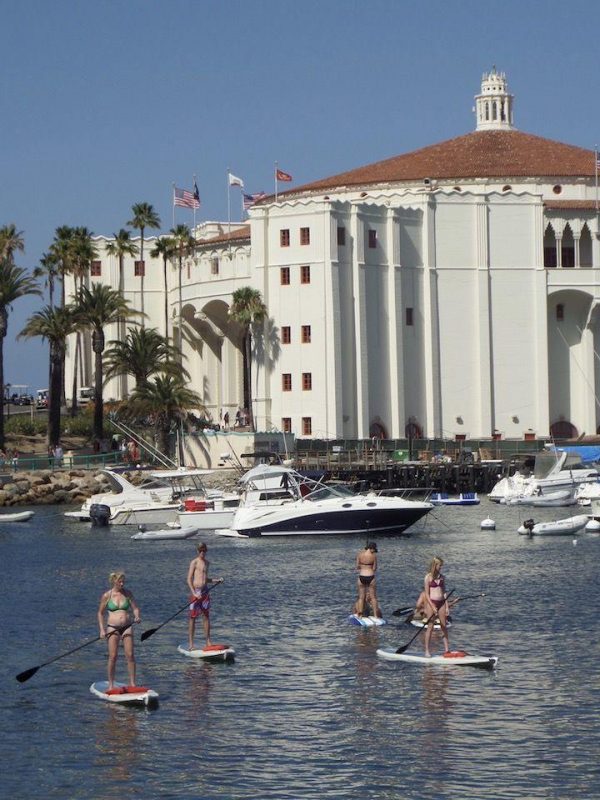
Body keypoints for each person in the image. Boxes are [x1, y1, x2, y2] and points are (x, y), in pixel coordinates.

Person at [97, 572, 141, 689]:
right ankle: (111, 684)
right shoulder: (107, 595)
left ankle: (132, 683)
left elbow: (135, 608)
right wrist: (102, 630)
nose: (122, 584)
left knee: (130, 655)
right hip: (112, 628)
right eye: (119, 582)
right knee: (113, 656)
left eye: (123, 582)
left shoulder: (128, 594)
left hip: (127, 626)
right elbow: (100, 613)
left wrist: (137, 616)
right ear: (114, 582)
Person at [187, 543, 223, 650]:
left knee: (206, 616)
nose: (203, 552)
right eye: (201, 550)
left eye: (204, 550)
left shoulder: (207, 563)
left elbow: (205, 579)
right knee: (193, 617)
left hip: (205, 592)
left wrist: (216, 580)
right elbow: (189, 579)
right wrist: (194, 593)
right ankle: (191, 644)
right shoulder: (194, 562)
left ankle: (208, 641)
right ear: (198, 551)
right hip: (196, 592)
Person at [423, 556, 450, 657]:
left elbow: (444, 592)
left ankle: (447, 650)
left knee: (444, 626)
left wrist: (447, 606)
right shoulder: (428, 577)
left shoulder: (442, 577)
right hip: (432, 603)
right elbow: (426, 594)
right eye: (440, 566)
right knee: (430, 627)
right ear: (435, 565)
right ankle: (427, 650)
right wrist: (432, 606)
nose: (441, 568)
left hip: (442, 603)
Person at [354, 542, 381, 618]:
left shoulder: (359, 555)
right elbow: (374, 568)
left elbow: (357, 567)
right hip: (371, 576)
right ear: (372, 548)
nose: (374, 551)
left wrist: (363, 566)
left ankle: (360, 614)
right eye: (374, 549)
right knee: (373, 597)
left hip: (361, 577)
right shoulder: (373, 556)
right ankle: (376, 615)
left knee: (361, 597)